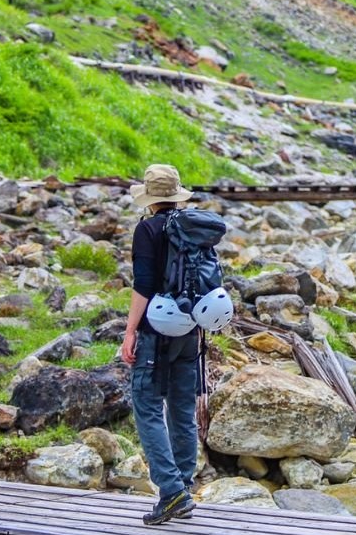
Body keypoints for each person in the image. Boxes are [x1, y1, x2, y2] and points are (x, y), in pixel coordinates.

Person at [120, 164, 201, 525]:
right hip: (191, 328)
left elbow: (143, 284)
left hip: (156, 330)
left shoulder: (147, 229)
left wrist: (130, 331)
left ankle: (171, 493)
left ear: (150, 199)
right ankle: (183, 485)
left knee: (147, 404)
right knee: (182, 409)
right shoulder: (193, 226)